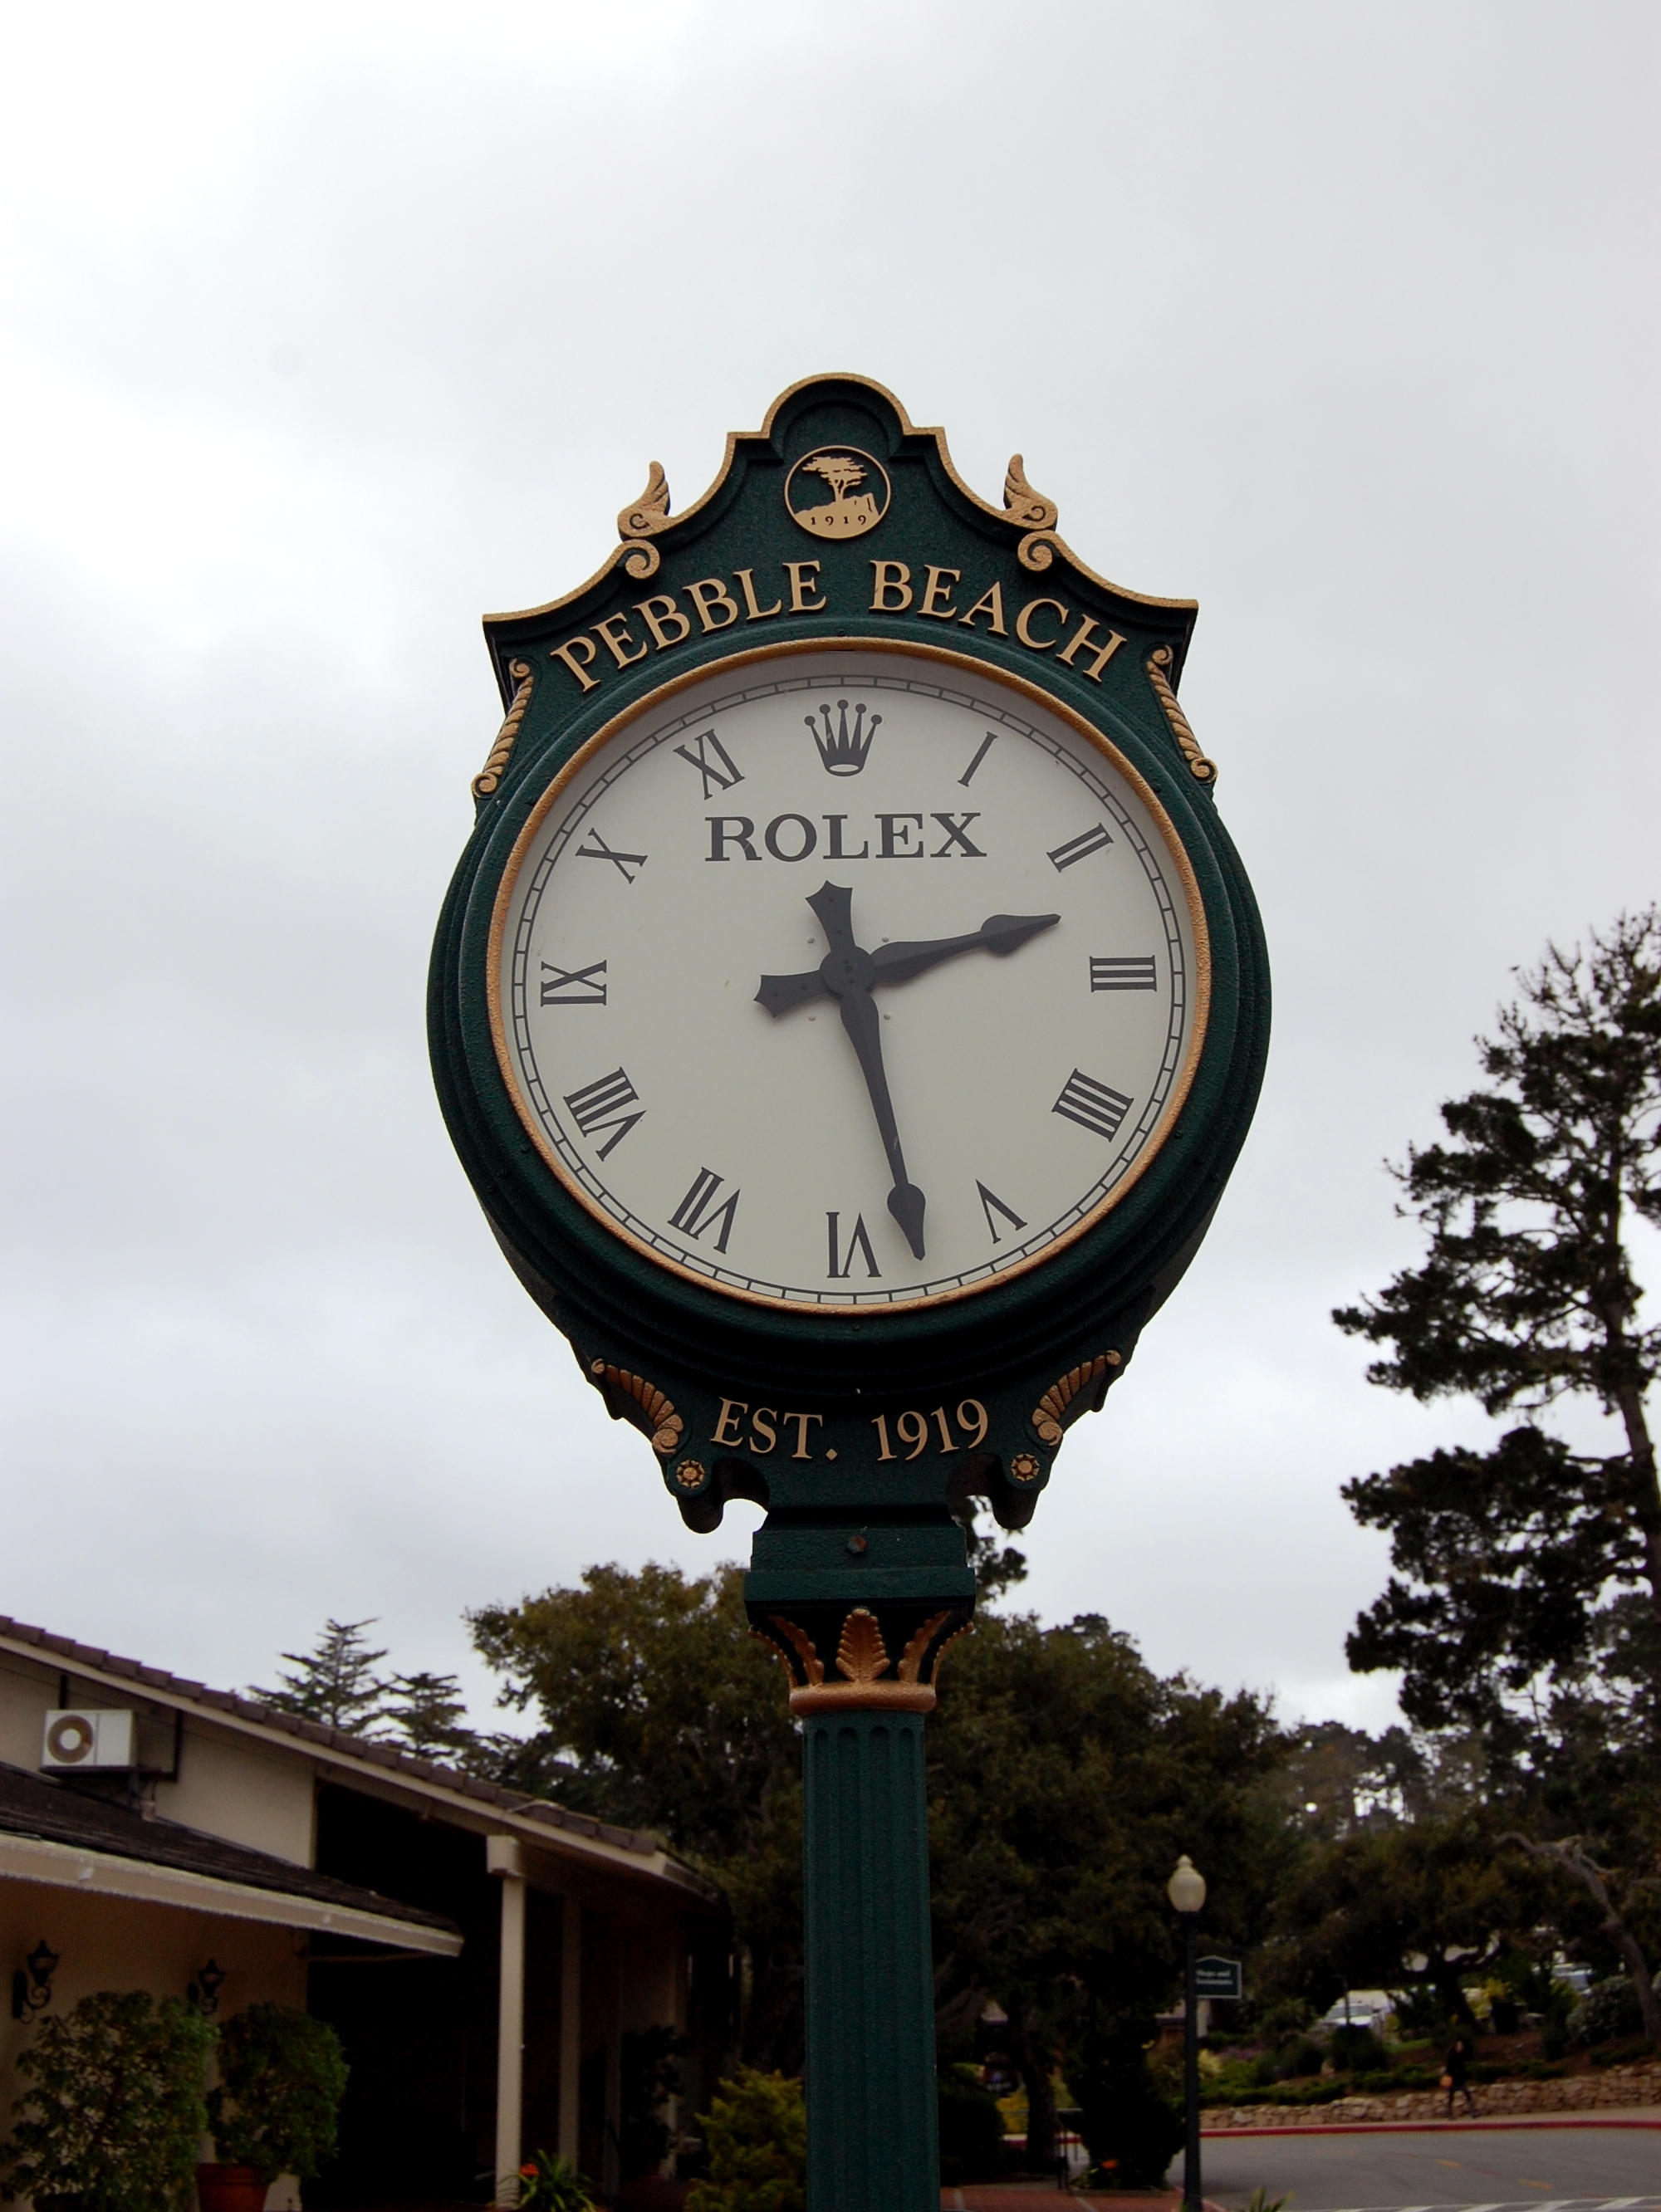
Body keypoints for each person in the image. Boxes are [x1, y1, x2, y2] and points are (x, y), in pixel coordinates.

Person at [1442, 2033, 1477, 2117]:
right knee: (1451, 2097)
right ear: (1456, 2046)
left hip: (1460, 2079)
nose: (1461, 2047)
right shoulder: (1451, 2056)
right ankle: (1449, 2113)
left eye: (1461, 2045)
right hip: (1453, 2079)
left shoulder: (1462, 2055)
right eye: (1459, 2045)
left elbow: (1463, 2067)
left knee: (1467, 2094)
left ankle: (1473, 2112)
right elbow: (1449, 2068)